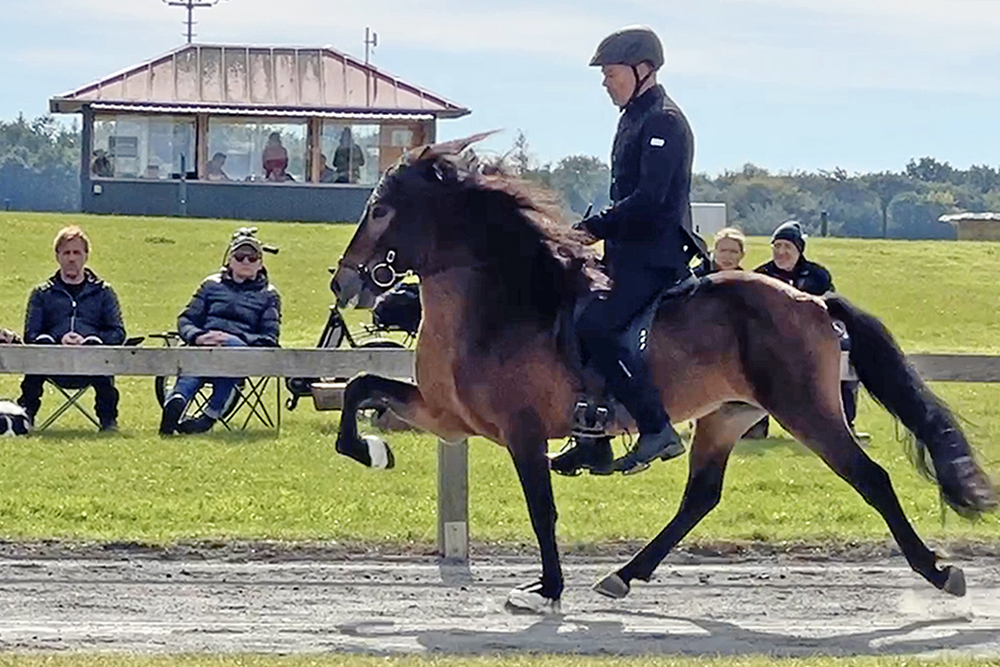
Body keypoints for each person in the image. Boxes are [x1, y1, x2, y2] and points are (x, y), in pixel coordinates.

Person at [550, 25, 697, 476]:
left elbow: (650, 201)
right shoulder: (633, 116)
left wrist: (591, 228)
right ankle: (593, 441)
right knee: (569, 310)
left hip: (655, 258)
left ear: (643, 70)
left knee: (597, 326)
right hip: (625, 254)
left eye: (611, 73)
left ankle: (656, 428)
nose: (605, 82)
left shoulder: (664, 122)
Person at [159, 229, 281, 435]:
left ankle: (207, 414)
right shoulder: (210, 286)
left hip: (241, 352)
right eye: (240, 256)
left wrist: (232, 339)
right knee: (195, 367)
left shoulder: (269, 295)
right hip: (204, 347)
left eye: (252, 258)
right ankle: (178, 405)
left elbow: (269, 338)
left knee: (231, 355)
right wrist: (198, 337)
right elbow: (186, 319)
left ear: (260, 264)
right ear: (230, 260)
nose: (246, 261)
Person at [753, 220, 865, 438]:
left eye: (787, 247)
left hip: (811, 337)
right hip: (772, 339)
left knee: (844, 354)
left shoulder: (817, 275)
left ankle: (845, 423)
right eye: (777, 246)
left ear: (799, 250)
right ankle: (753, 426)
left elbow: (828, 307)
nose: (781, 252)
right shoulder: (761, 275)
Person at [17, 226, 125, 431]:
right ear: (57, 256)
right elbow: (30, 335)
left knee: (104, 364)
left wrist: (88, 339)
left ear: (86, 256)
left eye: (77, 253)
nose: (72, 258)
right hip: (51, 361)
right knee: (35, 359)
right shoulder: (42, 293)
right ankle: (25, 417)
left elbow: (118, 333)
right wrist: (60, 339)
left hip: (92, 362)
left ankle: (108, 421)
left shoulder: (104, 292)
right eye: (66, 253)